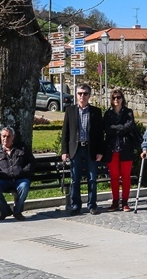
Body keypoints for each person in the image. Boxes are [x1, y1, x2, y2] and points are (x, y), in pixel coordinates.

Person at [61, 84, 105, 215]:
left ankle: (92, 205)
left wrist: (100, 151)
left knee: (92, 179)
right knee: (75, 179)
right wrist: (64, 151)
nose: (82, 96)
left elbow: (99, 134)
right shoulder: (70, 110)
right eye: (80, 93)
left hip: (90, 149)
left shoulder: (96, 112)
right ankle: (76, 205)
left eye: (85, 94)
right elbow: (65, 132)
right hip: (76, 149)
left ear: (89, 96)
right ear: (76, 95)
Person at [0, 126, 35, 221]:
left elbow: (32, 162)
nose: (5, 139)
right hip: (4, 180)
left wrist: (24, 172)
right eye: (3, 136)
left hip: (20, 179)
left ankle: (17, 212)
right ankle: (5, 211)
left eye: (8, 136)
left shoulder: (22, 148)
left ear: (13, 137)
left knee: (24, 186)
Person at [103, 88, 136, 211]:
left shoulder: (128, 112)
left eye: (119, 97)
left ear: (122, 99)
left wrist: (116, 129)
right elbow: (107, 129)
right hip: (112, 149)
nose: (116, 100)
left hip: (125, 148)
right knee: (114, 177)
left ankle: (125, 202)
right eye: (114, 98)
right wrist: (120, 128)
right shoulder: (108, 114)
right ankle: (115, 201)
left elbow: (129, 126)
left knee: (126, 176)